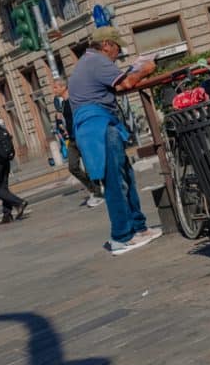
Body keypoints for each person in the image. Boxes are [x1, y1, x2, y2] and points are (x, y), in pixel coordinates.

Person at [67, 29, 164, 255]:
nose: (117, 54)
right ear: (107, 44)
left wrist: (134, 74)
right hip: (98, 127)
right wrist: (146, 69)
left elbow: (116, 86)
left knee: (125, 177)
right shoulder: (97, 61)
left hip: (98, 125)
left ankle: (138, 228)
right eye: (117, 49)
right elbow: (125, 85)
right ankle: (121, 236)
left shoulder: (87, 62)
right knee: (115, 181)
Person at [51, 73, 105, 208]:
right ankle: (93, 188)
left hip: (83, 137)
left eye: (56, 87)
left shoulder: (75, 100)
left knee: (89, 167)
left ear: (64, 87)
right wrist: (63, 128)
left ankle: (98, 193)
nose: (54, 90)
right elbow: (64, 120)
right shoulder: (62, 104)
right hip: (72, 139)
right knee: (72, 167)